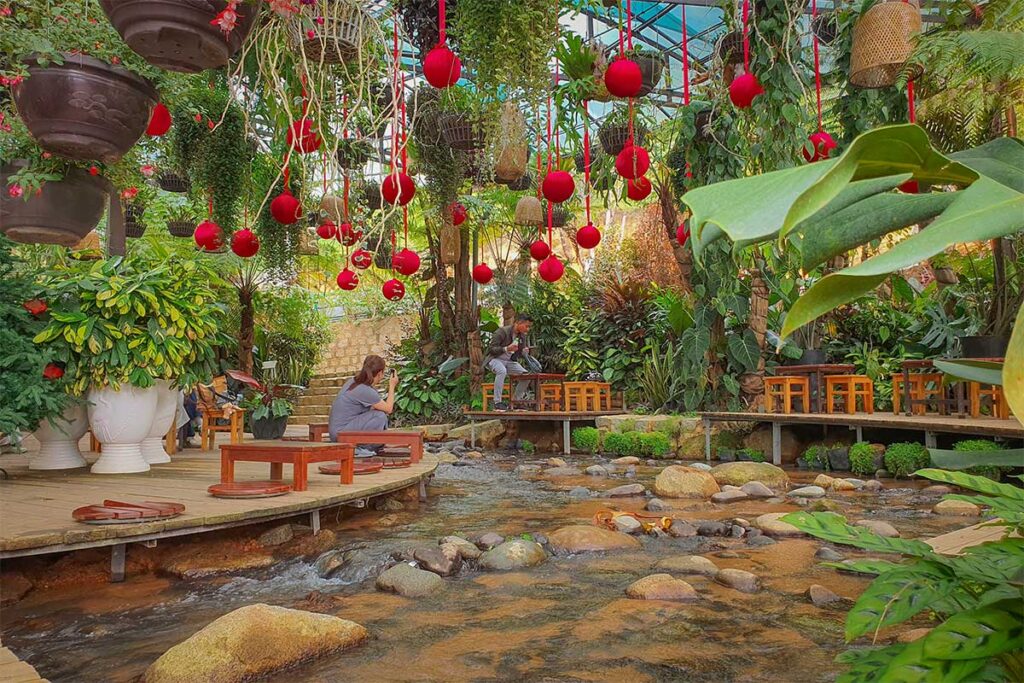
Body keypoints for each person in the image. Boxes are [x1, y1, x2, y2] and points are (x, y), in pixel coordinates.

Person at [328, 354, 399, 444]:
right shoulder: (365, 390)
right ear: (380, 373)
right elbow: (389, 409)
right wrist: (392, 385)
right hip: (340, 435)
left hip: (337, 432)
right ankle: (366, 447)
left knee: (375, 412)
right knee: (379, 416)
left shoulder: (353, 381)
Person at [485, 314, 533, 411]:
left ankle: (516, 401)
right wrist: (506, 348)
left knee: (527, 376)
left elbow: (517, 354)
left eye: (529, 327)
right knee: (502, 371)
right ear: (518, 323)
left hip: (509, 361)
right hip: (495, 359)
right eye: (527, 326)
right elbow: (491, 349)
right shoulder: (502, 332)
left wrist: (523, 352)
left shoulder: (522, 337)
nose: (528, 329)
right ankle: (497, 402)